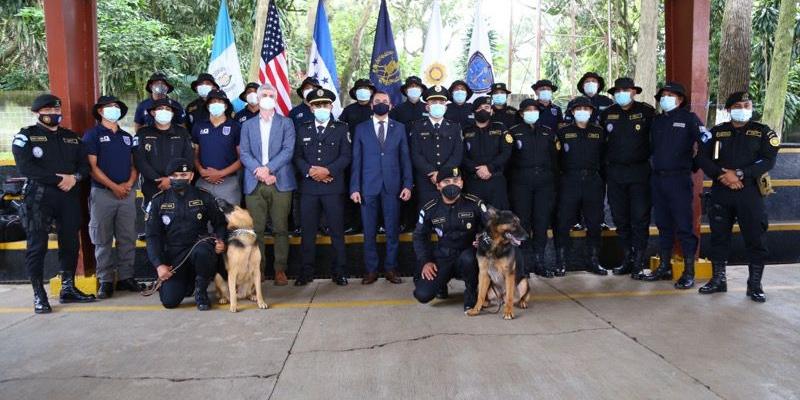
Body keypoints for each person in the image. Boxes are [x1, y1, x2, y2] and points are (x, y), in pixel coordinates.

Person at [13, 93, 95, 313]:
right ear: (37, 113)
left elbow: (84, 167)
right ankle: (39, 294)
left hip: (68, 196)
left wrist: (75, 178)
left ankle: (68, 287)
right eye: (48, 111)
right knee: (37, 245)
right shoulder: (26, 137)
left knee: (70, 243)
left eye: (57, 111)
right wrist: (60, 179)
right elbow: (26, 168)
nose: (53, 114)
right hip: (39, 197)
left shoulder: (71, 137)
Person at [696, 92, 779, 302]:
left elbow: (768, 160)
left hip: (749, 191)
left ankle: (754, 285)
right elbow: (701, 157)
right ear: (729, 109)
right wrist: (722, 175)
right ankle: (718, 280)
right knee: (719, 238)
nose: (743, 108)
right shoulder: (717, 132)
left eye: (747, 104)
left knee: (755, 238)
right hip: (721, 191)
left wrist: (740, 174)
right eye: (738, 105)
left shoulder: (762, 132)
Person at [639, 82, 707, 287]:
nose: (665, 98)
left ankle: (689, 271)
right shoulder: (657, 121)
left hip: (679, 180)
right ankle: (664, 266)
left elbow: (706, 142)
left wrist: (693, 166)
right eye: (663, 95)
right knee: (663, 224)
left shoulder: (689, 119)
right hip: (658, 180)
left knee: (684, 226)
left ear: (679, 99)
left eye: (670, 95)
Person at [145, 158, 227, 310]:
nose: (179, 179)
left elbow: (220, 223)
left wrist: (220, 240)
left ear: (191, 176)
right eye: (175, 176)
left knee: (203, 251)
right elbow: (152, 236)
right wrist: (159, 265)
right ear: (168, 177)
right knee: (169, 302)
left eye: (183, 175)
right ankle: (189, 284)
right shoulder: (158, 201)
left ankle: (201, 291)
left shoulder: (204, 196)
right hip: (175, 255)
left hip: (200, 246)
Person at [350, 90, 412, 284]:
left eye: (384, 101)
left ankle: (391, 268)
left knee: (392, 231)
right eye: (377, 101)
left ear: (391, 105)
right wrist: (355, 188)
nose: (381, 104)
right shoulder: (361, 128)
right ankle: (371, 270)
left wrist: (408, 184)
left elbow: (405, 159)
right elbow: (356, 160)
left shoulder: (400, 128)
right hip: (368, 187)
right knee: (369, 232)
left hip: (392, 187)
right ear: (371, 105)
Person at [84, 96, 142, 299]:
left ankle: (126, 277)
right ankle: (106, 280)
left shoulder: (127, 137)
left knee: (127, 236)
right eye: (109, 107)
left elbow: (135, 165)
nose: (114, 110)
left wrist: (127, 185)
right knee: (103, 238)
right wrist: (113, 186)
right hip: (103, 194)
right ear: (100, 111)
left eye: (117, 107)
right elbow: (92, 167)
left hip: (126, 194)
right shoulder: (92, 135)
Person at [239, 83, 297, 286]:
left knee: (281, 228)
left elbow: (288, 151)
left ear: (276, 97)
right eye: (263, 94)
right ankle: (259, 270)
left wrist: (269, 170)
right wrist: (260, 171)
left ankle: (280, 269)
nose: (266, 97)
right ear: (256, 96)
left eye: (270, 94)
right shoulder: (247, 125)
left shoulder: (286, 123)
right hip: (255, 182)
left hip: (279, 182)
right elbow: (244, 152)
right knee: (257, 230)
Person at [293, 88, 352, 286]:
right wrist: (311, 172)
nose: (321, 108)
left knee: (336, 232)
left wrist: (327, 171)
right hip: (309, 188)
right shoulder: (303, 128)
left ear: (331, 106)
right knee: (308, 232)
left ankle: (340, 271)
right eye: (317, 105)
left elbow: (346, 156)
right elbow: (297, 157)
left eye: (325, 105)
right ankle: (306, 272)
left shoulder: (342, 128)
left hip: (332, 188)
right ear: (311, 107)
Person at [600, 77, 655, 278]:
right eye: (618, 90)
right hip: (615, 174)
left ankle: (639, 261)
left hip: (639, 173)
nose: (622, 93)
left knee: (639, 218)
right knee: (620, 219)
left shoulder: (646, 112)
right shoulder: (607, 114)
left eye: (626, 89)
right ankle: (627, 258)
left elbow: (656, 141)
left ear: (634, 91)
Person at [412, 167, 488, 310]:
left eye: (455, 180)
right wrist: (425, 261)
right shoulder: (430, 209)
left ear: (461, 183)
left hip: (469, 254)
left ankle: (472, 294)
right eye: (446, 181)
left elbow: (491, 227)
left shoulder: (475, 203)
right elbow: (419, 237)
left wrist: (483, 239)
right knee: (422, 294)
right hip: (443, 256)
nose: (452, 184)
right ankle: (441, 284)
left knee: (468, 258)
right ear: (438, 185)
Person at [555, 96, 607, 276]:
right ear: (572, 112)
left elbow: (604, 158)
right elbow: (557, 159)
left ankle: (593, 260)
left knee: (594, 223)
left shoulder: (599, 132)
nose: (582, 112)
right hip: (569, 181)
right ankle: (561, 262)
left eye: (586, 108)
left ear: (592, 112)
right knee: (563, 223)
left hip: (592, 181)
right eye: (579, 109)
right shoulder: (563, 132)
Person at [508, 99, 559, 277]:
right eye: (527, 110)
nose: (532, 112)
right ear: (521, 113)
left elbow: (555, 161)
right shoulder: (513, 133)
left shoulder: (547, 132)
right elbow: (508, 161)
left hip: (544, 183)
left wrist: (553, 184)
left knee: (541, 222)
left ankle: (539, 261)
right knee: (523, 223)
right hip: (521, 182)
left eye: (534, 109)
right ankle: (524, 264)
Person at [133, 98, 195, 208]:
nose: (164, 111)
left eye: (167, 109)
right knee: (153, 221)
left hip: (178, 185)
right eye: (160, 108)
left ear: (172, 114)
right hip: (152, 187)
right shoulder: (143, 133)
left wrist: (171, 179)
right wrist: (158, 179)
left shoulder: (182, 133)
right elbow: (139, 160)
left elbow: (188, 158)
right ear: (153, 112)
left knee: (179, 221)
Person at [409, 85, 464, 207]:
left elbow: (457, 153)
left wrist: (442, 174)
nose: (438, 105)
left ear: (445, 106)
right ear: (427, 106)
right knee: (426, 210)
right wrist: (431, 172)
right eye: (434, 102)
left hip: (449, 179)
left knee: (448, 210)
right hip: (425, 179)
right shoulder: (417, 126)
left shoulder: (454, 127)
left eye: (441, 102)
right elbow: (415, 154)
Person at [191, 89, 242, 205]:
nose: (216, 104)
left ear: (225, 106)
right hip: (204, 181)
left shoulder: (235, 127)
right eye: (213, 101)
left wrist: (221, 173)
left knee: (230, 220)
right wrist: (201, 170)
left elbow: (242, 158)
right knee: (203, 219)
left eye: (220, 101)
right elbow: (195, 154)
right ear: (208, 106)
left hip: (229, 182)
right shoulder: (198, 126)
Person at [339, 78, 376, 234]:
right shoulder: (349, 110)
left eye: (366, 88)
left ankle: (375, 223)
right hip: (352, 157)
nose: (363, 91)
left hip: (374, 158)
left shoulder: (376, 109)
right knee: (353, 190)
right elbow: (340, 130)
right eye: (360, 88)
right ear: (355, 92)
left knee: (373, 190)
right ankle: (353, 223)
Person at [461, 96, 512, 209]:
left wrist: (489, 167)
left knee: (498, 219)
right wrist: (476, 169)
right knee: (474, 217)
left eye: (486, 107)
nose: (483, 110)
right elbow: (462, 156)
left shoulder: (500, 128)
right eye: (479, 108)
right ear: (474, 112)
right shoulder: (467, 131)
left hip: (496, 180)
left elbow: (506, 152)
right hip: (473, 181)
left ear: (492, 111)